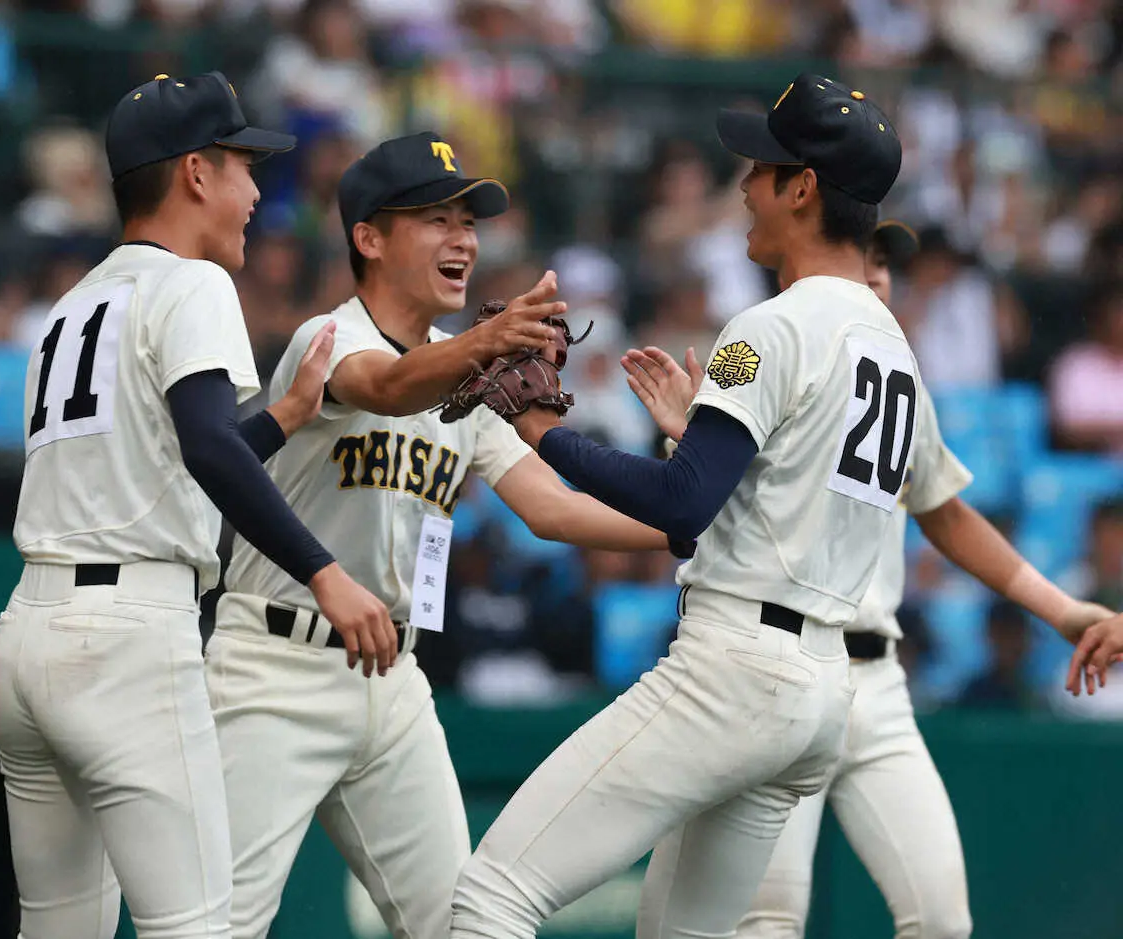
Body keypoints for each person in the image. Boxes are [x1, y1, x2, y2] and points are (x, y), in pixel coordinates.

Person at [446, 72, 915, 939]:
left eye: (762, 168)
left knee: (487, 899)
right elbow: (756, 491)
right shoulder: (896, 349)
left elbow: (679, 509)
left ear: (803, 187)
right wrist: (693, 433)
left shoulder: (768, 326)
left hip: (735, 666)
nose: (744, 185)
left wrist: (543, 426)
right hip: (819, 692)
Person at [204, 132, 677, 939]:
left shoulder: (467, 377)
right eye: (436, 217)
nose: (464, 238)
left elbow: (552, 509)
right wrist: (485, 344)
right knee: (216, 926)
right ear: (369, 236)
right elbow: (382, 388)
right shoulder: (328, 339)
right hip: (272, 666)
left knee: (461, 920)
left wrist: (682, 517)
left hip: (392, 680)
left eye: (469, 220)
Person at [0, 71, 401, 939]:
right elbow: (208, 448)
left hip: (29, 629)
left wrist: (284, 419)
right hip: (129, 638)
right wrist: (324, 572)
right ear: (196, 175)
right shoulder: (194, 283)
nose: (256, 192)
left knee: (59, 930)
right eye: (245, 167)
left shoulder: (71, 306)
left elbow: (166, 467)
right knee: (200, 928)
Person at [623, 219, 1119, 939]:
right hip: (780, 661)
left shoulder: (895, 374)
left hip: (877, 684)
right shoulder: (767, 341)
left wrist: (1063, 608)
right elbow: (700, 504)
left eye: (887, 264)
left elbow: (947, 516)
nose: (880, 275)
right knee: (766, 920)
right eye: (868, 258)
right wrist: (684, 438)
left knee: (942, 919)